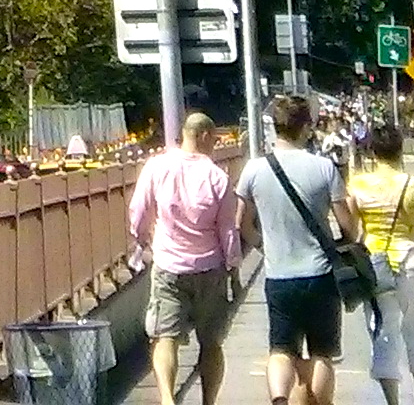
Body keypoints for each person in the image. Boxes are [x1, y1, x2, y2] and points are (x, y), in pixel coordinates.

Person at [237, 92, 360, 405]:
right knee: (322, 352)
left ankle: (280, 398)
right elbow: (347, 225)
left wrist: (266, 247)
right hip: (320, 274)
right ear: (305, 127)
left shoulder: (254, 170)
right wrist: (345, 240)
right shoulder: (324, 168)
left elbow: (243, 225)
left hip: (279, 275)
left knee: (281, 349)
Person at [127, 110, 239, 405]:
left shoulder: (157, 166)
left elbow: (139, 210)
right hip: (210, 268)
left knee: (165, 336)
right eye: (214, 139)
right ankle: (208, 402)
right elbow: (228, 229)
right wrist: (232, 266)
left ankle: (167, 398)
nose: (215, 145)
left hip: (168, 265)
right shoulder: (217, 177)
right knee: (211, 342)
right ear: (204, 136)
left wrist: (140, 237)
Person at [346, 122, 414, 405]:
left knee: (383, 330)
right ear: (400, 150)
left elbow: (351, 230)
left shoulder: (358, 186)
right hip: (411, 261)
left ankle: (392, 400)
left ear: (372, 152)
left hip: (375, 264)